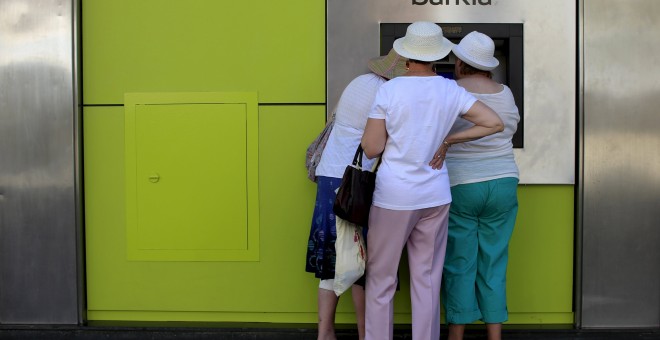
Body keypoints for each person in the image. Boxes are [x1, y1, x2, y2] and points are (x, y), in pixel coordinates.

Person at [360, 22, 504, 340]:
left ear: (406, 56)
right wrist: (449, 141)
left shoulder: (389, 90)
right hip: (435, 196)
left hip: (394, 197)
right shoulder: (450, 90)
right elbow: (494, 123)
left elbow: (372, 148)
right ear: (437, 57)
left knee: (381, 279)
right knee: (426, 279)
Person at [305, 48, 407, 340]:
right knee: (364, 260)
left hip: (330, 175)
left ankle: (325, 332)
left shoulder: (359, 83)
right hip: (359, 181)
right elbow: (385, 141)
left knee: (333, 260)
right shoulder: (389, 93)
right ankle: (366, 333)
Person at [435, 31, 521, 340]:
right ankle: (494, 335)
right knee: (494, 260)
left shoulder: (450, 91)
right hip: (504, 182)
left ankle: (456, 335)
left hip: (463, 184)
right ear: (489, 66)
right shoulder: (507, 92)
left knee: (460, 262)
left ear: (459, 63)